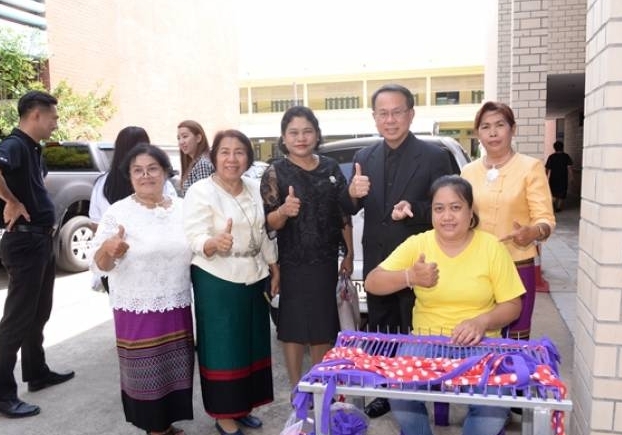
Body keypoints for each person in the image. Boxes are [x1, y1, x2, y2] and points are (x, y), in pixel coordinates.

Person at [364, 175, 526, 435]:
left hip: (482, 342)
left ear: (470, 211)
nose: (447, 216)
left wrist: (482, 321)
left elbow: (513, 305)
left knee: (494, 404)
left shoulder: (491, 247)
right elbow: (372, 282)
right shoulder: (419, 244)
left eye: (456, 207)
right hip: (426, 340)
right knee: (399, 389)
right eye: (439, 208)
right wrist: (409, 277)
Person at [343, 83, 454, 418]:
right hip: (379, 262)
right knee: (382, 329)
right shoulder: (364, 158)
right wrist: (352, 193)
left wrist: (415, 209)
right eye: (383, 113)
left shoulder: (435, 156)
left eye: (397, 112)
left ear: (411, 114)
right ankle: (386, 391)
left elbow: (451, 206)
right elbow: (348, 207)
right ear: (375, 117)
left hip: (421, 261)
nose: (390, 120)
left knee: (421, 329)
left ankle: (426, 388)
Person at [90, 144, 193, 435]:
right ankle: (155, 429)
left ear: (165, 172)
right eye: (138, 170)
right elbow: (99, 264)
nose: (145, 175)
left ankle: (165, 424)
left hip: (176, 303)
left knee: (175, 369)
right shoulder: (119, 212)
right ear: (130, 176)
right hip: (137, 308)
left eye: (152, 169)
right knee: (146, 374)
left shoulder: (183, 209)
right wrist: (109, 249)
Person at [184, 129, 279, 435]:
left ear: (248, 158)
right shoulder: (200, 191)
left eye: (239, 152)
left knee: (250, 344)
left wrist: (273, 265)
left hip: (254, 274)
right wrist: (212, 242)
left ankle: (243, 406)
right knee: (223, 347)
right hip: (216, 277)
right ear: (214, 157)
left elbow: (263, 231)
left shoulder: (254, 187)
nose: (232, 159)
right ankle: (224, 413)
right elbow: (193, 234)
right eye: (225, 152)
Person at [260, 106, 354, 390]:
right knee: (293, 327)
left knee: (323, 326)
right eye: (293, 133)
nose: (301, 138)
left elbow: (343, 213)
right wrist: (284, 211)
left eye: (307, 132)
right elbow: (267, 222)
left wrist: (349, 253)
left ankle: (320, 386)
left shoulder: (330, 167)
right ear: (284, 137)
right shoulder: (275, 171)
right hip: (292, 260)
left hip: (325, 259)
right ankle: (297, 389)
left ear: (317, 134)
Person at [0, 90, 75, 418]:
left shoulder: (32, 148)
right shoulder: (14, 145)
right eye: (53, 118)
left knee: (38, 313)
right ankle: (3, 395)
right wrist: (11, 201)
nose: (56, 123)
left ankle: (37, 372)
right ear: (35, 115)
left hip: (41, 242)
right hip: (25, 242)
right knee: (16, 321)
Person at [461, 101, 555, 340]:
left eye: (500, 125)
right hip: (476, 264)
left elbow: (546, 219)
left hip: (517, 264)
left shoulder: (530, 167)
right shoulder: (468, 172)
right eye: (485, 127)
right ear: (478, 133)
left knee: (515, 339)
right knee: (476, 333)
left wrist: (533, 232)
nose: (493, 133)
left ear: (513, 129)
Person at [89, 126, 176, 291]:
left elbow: (95, 224)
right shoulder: (160, 183)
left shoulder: (102, 184)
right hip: (159, 266)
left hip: (115, 269)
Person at [177, 120, 214, 196]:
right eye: (178, 138)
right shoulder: (194, 164)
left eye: (185, 136)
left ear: (198, 138)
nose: (181, 142)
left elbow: (205, 197)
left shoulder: (202, 164)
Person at [545, 140, 573, 212]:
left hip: (553, 178)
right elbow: (569, 168)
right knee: (562, 193)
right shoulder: (566, 156)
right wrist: (571, 177)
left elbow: (547, 168)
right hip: (563, 178)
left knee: (553, 193)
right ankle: (558, 207)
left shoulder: (551, 157)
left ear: (554, 148)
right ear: (562, 147)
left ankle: (551, 206)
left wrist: (545, 177)